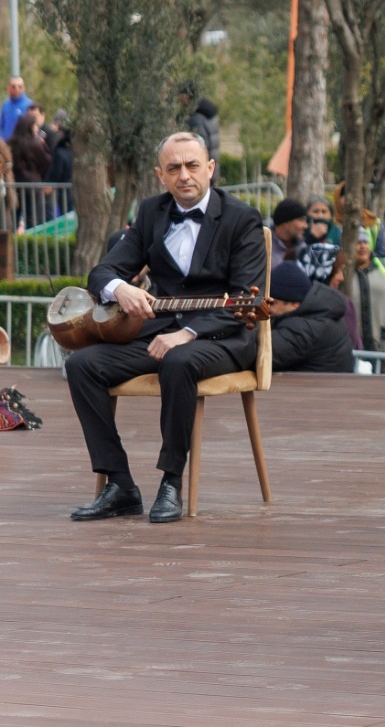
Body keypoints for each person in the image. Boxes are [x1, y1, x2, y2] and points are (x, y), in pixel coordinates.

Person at [62, 131, 267, 524]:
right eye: (174, 168)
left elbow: (245, 299)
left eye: (192, 165)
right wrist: (120, 288)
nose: (184, 175)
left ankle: (171, 481)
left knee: (178, 361)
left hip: (222, 336)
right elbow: (102, 272)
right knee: (82, 365)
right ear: (160, 175)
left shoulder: (242, 218)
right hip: (159, 331)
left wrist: (186, 334)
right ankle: (120, 484)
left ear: (210, 168)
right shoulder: (151, 212)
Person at [265, 262, 353, 373]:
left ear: (294, 304)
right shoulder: (324, 312)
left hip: (311, 384)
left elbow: (256, 354)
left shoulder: (302, 330)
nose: (268, 308)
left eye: (273, 303)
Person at [8, 111, 49, 229]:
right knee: (32, 218)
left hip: (14, 184)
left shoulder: (9, 143)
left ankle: (13, 239)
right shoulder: (35, 144)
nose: (37, 129)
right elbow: (46, 161)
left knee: (14, 217)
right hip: (33, 185)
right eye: (35, 126)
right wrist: (44, 145)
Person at [297, 197, 341, 283]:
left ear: (331, 216)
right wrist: (311, 237)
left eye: (324, 212)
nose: (320, 216)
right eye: (315, 211)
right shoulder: (301, 232)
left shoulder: (338, 233)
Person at [269, 198, 308, 267]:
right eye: (301, 220)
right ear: (286, 222)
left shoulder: (303, 247)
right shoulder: (265, 246)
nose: (305, 226)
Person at [1, 76, 32, 141]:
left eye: (20, 87)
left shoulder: (29, 105)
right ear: (8, 88)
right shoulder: (5, 105)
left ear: (24, 88)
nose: (16, 89)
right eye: (13, 87)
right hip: (5, 143)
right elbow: (2, 124)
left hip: (21, 144)